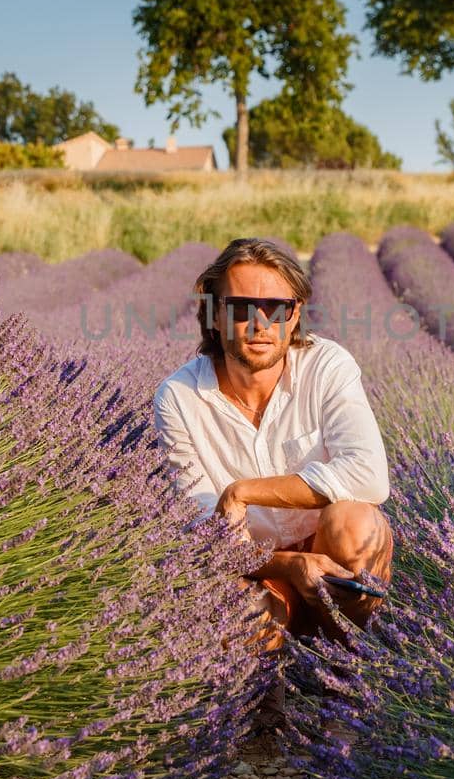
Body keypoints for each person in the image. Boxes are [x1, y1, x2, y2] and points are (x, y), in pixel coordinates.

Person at [151, 238, 395, 653]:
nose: (260, 324)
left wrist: (243, 491)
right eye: (242, 309)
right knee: (239, 614)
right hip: (251, 568)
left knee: (354, 523)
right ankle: (267, 698)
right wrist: (292, 566)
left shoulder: (327, 366)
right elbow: (205, 533)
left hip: (333, 557)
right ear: (214, 315)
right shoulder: (178, 397)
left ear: (295, 313)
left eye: (276, 309)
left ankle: (344, 661)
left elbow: (369, 477)